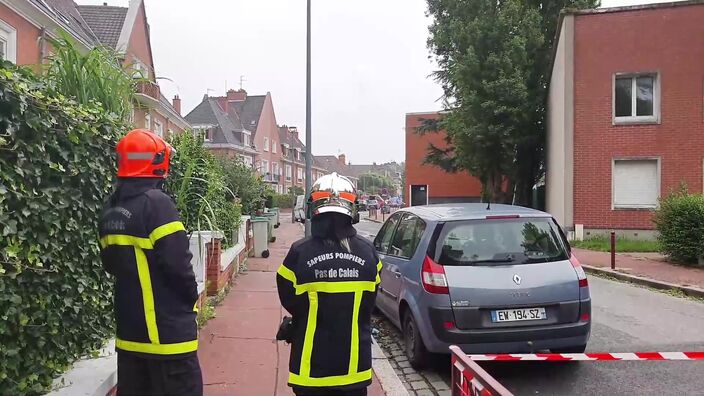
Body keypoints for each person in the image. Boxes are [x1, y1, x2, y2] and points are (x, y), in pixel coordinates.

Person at [98, 129, 202, 396]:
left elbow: (110, 265)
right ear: (157, 162)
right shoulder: (157, 204)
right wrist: (190, 299)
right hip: (168, 339)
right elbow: (179, 266)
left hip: (130, 339)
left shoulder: (110, 209)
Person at [277, 173, 382, 396]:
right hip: (353, 369)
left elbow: (288, 297)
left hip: (309, 367)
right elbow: (371, 300)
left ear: (312, 208)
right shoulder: (368, 252)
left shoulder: (299, 252)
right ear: (353, 210)